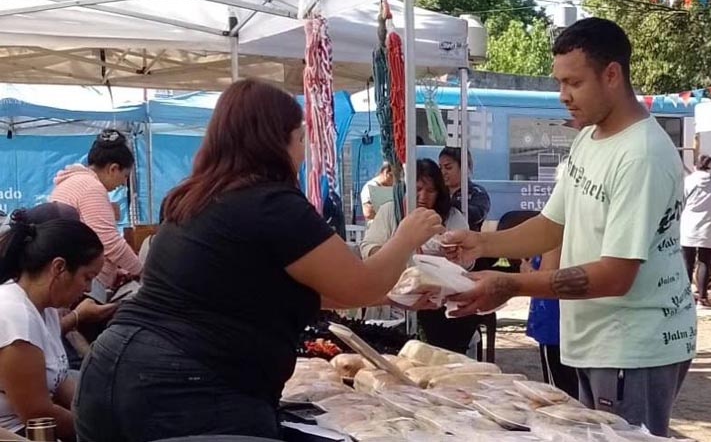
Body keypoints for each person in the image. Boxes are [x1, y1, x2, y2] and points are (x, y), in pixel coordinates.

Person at [74, 79, 443, 442]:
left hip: (108, 372)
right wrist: (407, 235)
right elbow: (358, 284)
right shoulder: (272, 205)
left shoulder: (193, 198)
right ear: (275, 142)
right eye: (299, 139)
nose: (303, 151)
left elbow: (287, 286)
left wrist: (393, 295)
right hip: (188, 388)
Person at [442, 18, 696, 437]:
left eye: (574, 83)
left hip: (633, 347)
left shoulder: (641, 156)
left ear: (612, 75)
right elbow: (552, 223)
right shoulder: (588, 139)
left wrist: (510, 286)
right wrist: (481, 241)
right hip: (593, 339)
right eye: (560, 83)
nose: (563, 96)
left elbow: (616, 275)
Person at [0, 208, 105, 440]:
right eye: (87, 277)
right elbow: (38, 415)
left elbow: (59, 383)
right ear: (59, 267)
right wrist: (103, 431)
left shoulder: (46, 310)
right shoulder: (15, 317)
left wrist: (105, 414)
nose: (88, 289)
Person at [360, 158, 475, 353]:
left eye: (430, 191)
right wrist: (394, 250)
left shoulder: (452, 217)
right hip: (394, 302)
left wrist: (456, 255)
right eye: (418, 189)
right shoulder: (391, 212)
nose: (422, 196)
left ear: (439, 193)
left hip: (439, 305)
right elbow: (368, 247)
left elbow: (468, 263)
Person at [51, 129, 142, 289]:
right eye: (125, 175)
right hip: (84, 287)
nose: (123, 183)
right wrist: (142, 271)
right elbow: (110, 243)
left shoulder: (73, 181)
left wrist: (116, 270)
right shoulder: (91, 187)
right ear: (113, 169)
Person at [524, 249, 578, 399]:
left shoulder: (556, 234)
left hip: (554, 322)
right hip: (571, 321)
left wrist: (525, 271)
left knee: (560, 395)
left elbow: (545, 277)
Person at [681, 154, 711, 309]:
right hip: (709, 228)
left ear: (695, 166)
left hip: (688, 226)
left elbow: (679, 202)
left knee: (687, 263)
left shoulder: (687, 181)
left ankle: (683, 298)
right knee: (705, 262)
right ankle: (703, 298)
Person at [438, 147, 491, 232]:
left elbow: (478, 214)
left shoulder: (477, 192)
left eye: (448, 167)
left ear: (464, 167)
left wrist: (451, 205)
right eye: (440, 168)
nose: (443, 172)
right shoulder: (438, 192)